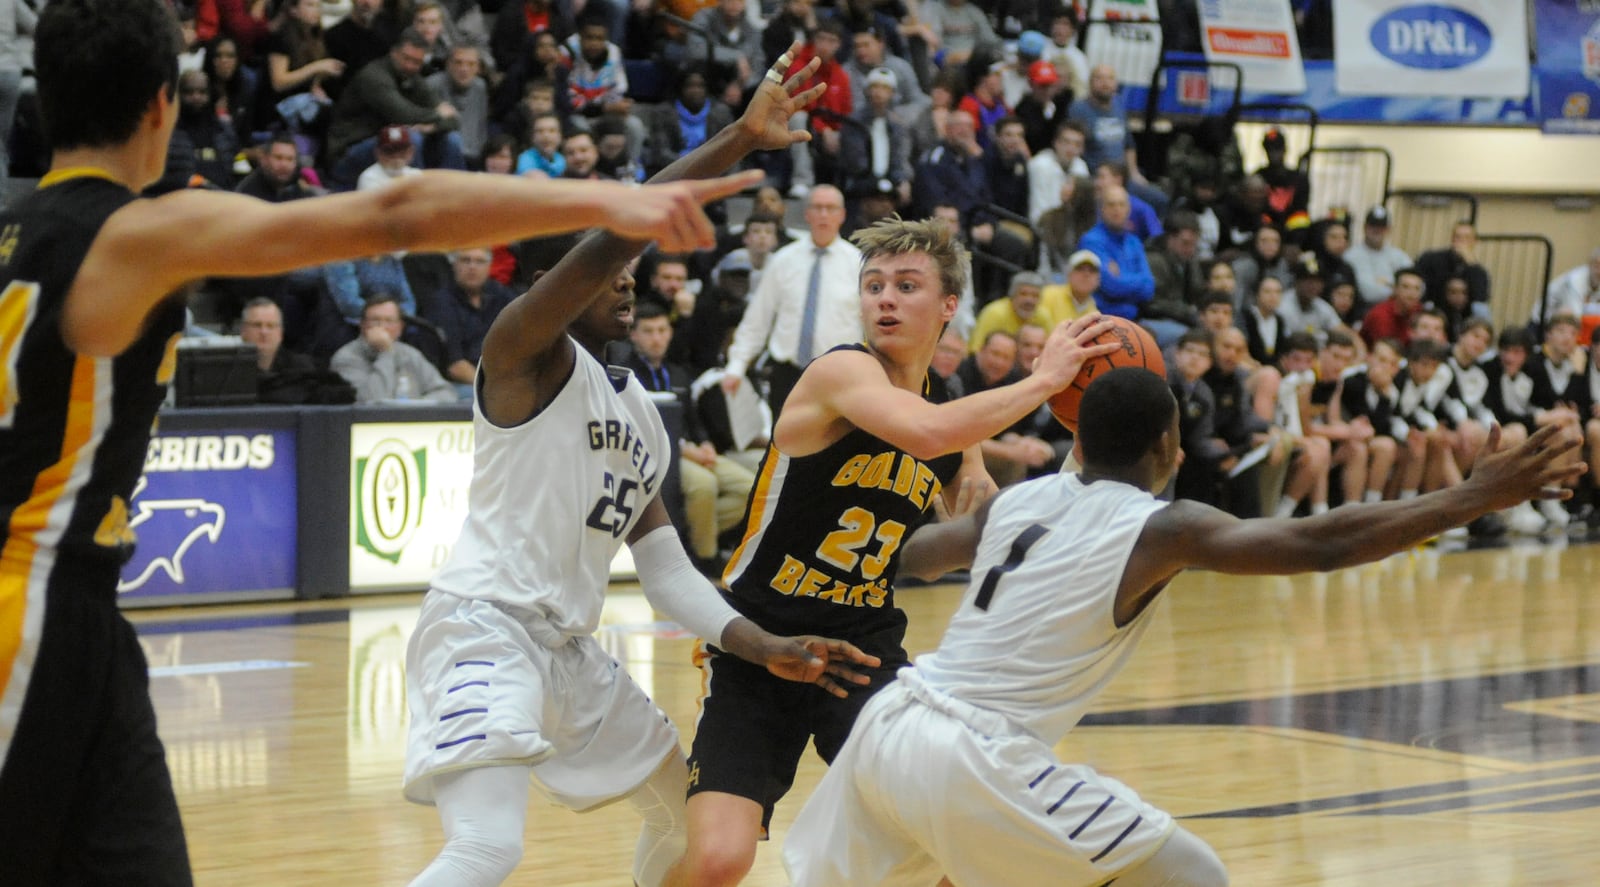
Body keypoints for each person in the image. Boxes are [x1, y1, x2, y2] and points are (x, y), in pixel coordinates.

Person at [0, 1, 767, 882]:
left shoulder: (24, 236)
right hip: (32, 594)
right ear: (162, 107)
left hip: (85, 608)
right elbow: (399, 208)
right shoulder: (131, 228)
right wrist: (614, 199)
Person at [781, 366, 1586, 887]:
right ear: (1170, 444)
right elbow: (1318, 541)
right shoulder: (1160, 525)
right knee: (1194, 877)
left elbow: (913, 555)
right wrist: (1469, 497)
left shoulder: (1017, 500)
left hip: (889, 726)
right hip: (973, 752)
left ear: (1076, 437)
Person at [399, 45, 884, 887]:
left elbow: (666, 574)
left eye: (633, 272)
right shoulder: (523, 351)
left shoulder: (642, 417)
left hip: (569, 650)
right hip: (483, 626)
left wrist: (758, 641)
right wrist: (737, 136)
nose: (629, 280)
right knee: (487, 848)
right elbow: (624, 227)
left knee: (686, 815)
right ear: (556, 279)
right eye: (609, 269)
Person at [672, 218, 1120, 887]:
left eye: (906, 286)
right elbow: (926, 430)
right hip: (759, 643)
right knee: (718, 859)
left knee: (957, 833)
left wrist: (1076, 469)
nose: (884, 298)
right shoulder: (842, 371)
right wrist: (1043, 379)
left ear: (947, 306)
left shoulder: (953, 413)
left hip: (862, 650)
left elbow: (945, 549)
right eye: (874, 284)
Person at [720, 184, 861, 417]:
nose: (824, 214)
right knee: (783, 449)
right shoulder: (784, 260)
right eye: (818, 208)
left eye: (831, 208)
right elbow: (759, 317)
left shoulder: (858, 264)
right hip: (787, 372)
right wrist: (737, 365)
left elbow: (870, 325)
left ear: (842, 215)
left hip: (839, 374)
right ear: (807, 214)